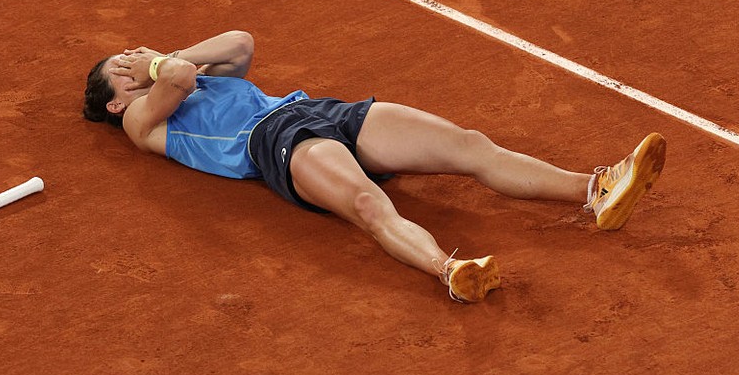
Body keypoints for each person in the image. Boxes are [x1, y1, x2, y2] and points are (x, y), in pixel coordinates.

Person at [83, 30, 666, 303]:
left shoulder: (189, 74)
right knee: (369, 206)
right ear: (115, 101)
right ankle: (451, 271)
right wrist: (161, 65)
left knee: (468, 144)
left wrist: (167, 57)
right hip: (275, 143)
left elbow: (240, 42)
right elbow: (179, 77)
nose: (134, 62)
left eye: (133, 56)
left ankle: (595, 189)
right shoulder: (144, 122)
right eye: (123, 68)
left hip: (318, 111)